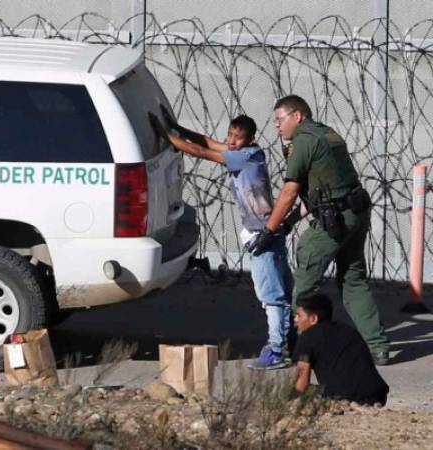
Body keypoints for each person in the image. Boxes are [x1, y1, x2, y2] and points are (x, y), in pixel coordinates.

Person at [249, 95, 390, 365]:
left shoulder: (303, 140)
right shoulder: (328, 133)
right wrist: (289, 222)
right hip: (355, 212)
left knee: (304, 283)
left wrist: (270, 229)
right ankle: (378, 346)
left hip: (336, 218)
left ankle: (299, 346)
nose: (277, 126)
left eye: (280, 120)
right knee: (353, 280)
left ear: (297, 116)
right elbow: (318, 194)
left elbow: (290, 191)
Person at [150, 109, 293, 370]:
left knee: (270, 295)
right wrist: (178, 128)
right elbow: (207, 142)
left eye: (237, 137)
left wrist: (167, 137)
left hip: (263, 233)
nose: (230, 141)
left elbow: (203, 152)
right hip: (269, 229)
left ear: (249, 139)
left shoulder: (245, 157)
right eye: (229, 135)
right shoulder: (246, 152)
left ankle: (276, 349)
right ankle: (286, 342)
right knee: (280, 291)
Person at [292, 292, 389, 405]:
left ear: (313, 318)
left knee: (306, 392)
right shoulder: (347, 330)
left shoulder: (307, 337)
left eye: (299, 315)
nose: (295, 320)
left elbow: (302, 380)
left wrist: (290, 401)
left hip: (345, 398)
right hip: (377, 394)